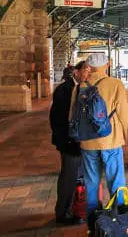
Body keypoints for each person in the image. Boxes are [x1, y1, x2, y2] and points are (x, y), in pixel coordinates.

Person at [77, 54, 128, 224]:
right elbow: (124, 114)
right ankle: (119, 218)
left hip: (88, 142)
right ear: (107, 65)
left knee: (91, 183)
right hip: (111, 140)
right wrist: (124, 133)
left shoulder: (79, 87)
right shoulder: (115, 84)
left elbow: (73, 116)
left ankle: (94, 222)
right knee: (116, 180)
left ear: (89, 67)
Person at [50, 66, 83, 225]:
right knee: (69, 177)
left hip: (73, 141)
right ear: (76, 72)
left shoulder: (75, 88)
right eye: (86, 71)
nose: (88, 74)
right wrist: (67, 139)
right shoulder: (66, 89)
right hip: (69, 141)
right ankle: (63, 213)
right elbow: (60, 118)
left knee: (75, 176)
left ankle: (75, 209)